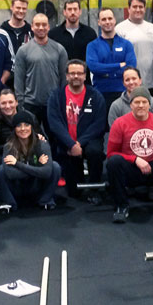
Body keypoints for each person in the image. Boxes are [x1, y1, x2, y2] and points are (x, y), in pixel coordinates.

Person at [107, 86, 153, 222]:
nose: (140, 105)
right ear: (131, 105)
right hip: (132, 169)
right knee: (113, 162)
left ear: (150, 104)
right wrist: (135, 159)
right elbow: (111, 153)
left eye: (144, 102)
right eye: (137, 102)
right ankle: (121, 206)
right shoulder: (120, 123)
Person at [46, 60, 106, 200]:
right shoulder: (56, 96)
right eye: (72, 73)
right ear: (66, 76)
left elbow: (99, 124)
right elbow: (54, 124)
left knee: (95, 152)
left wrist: (79, 143)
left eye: (79, 73)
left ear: (85, 76)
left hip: (89, 141)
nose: (76, 76)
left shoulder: (96, 96)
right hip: (66, 142)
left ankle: (95, 189)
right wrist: (71, 144)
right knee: (74, 193)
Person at [0, 110, 61, 213]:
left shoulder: (42, 144)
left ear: (31, 127)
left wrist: (17, 164)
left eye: (26, 125)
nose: (23, 129)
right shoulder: (9, 146)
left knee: (55, 166)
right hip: (17, 188)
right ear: (14, 129)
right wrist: (38, 167)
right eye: (19, 126)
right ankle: (9, 203)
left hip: (36, 186)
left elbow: (47, 172)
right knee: (1, 170)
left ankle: (45, 200)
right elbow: (10, 174)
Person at [13, 13, 68, 130]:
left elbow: (64, 78)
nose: (41, 28)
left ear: (49, 27)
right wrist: (21, 104)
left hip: (53, 103)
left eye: (44, 25)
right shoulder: (23, 51)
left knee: (55, 139)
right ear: (32, 27)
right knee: (31, 140)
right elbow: (18, 79)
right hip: (30, 104)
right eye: (37, 25)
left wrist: (62, 100)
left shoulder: (59, 49)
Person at [85, 7, 137, 112]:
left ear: (115, 20)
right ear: (99, 22)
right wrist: (118, 66)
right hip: (101, 92)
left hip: (123, 92)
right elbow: (94, 67)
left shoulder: (127, 44)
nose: (107, 22)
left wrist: (105, 72)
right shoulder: (92, 46)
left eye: (110, 18)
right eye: (104, 19)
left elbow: (131, 67)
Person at [115, 0, 153, 95]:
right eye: (135, 7)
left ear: (145, 9)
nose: (138, 10)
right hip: (129, 84)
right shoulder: (119, 29)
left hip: (151, 83)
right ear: (128, 9)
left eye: (141, 7)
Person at [0, 89, 44, 165]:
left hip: (29, 152)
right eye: (3, 103)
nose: (7, 106)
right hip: (5, 154)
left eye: (10, 102)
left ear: (16, 102)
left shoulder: (29, 116)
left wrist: (39, 138)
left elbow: (40, 136)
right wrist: (15, 147)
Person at [48, 0, 98, 83]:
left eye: (75, 9)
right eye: (69, 9)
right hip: (61, 82)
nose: (72, 12)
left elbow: (94, 58)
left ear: (80, 11)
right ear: (64, 12)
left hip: (84, 82)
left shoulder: (90, 33)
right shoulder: (54, 34)